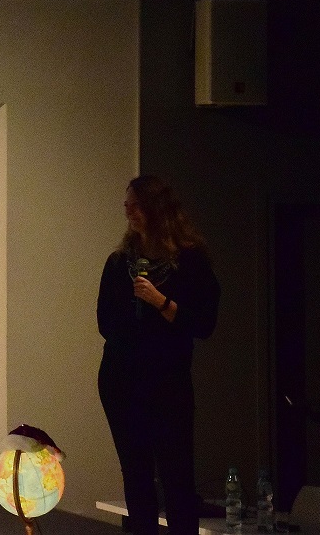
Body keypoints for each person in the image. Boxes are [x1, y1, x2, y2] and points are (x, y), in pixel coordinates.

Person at [98, 175, 221, 535]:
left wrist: (162, 303)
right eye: (126, 207)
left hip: (168, 382)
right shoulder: (119, 263)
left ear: (155, 209)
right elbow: (105, 321)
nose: (129, 214)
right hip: (122, 380)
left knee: (176, 474)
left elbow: (204, 323)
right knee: (136, 475)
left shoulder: (191, 264)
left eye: (135, 206)